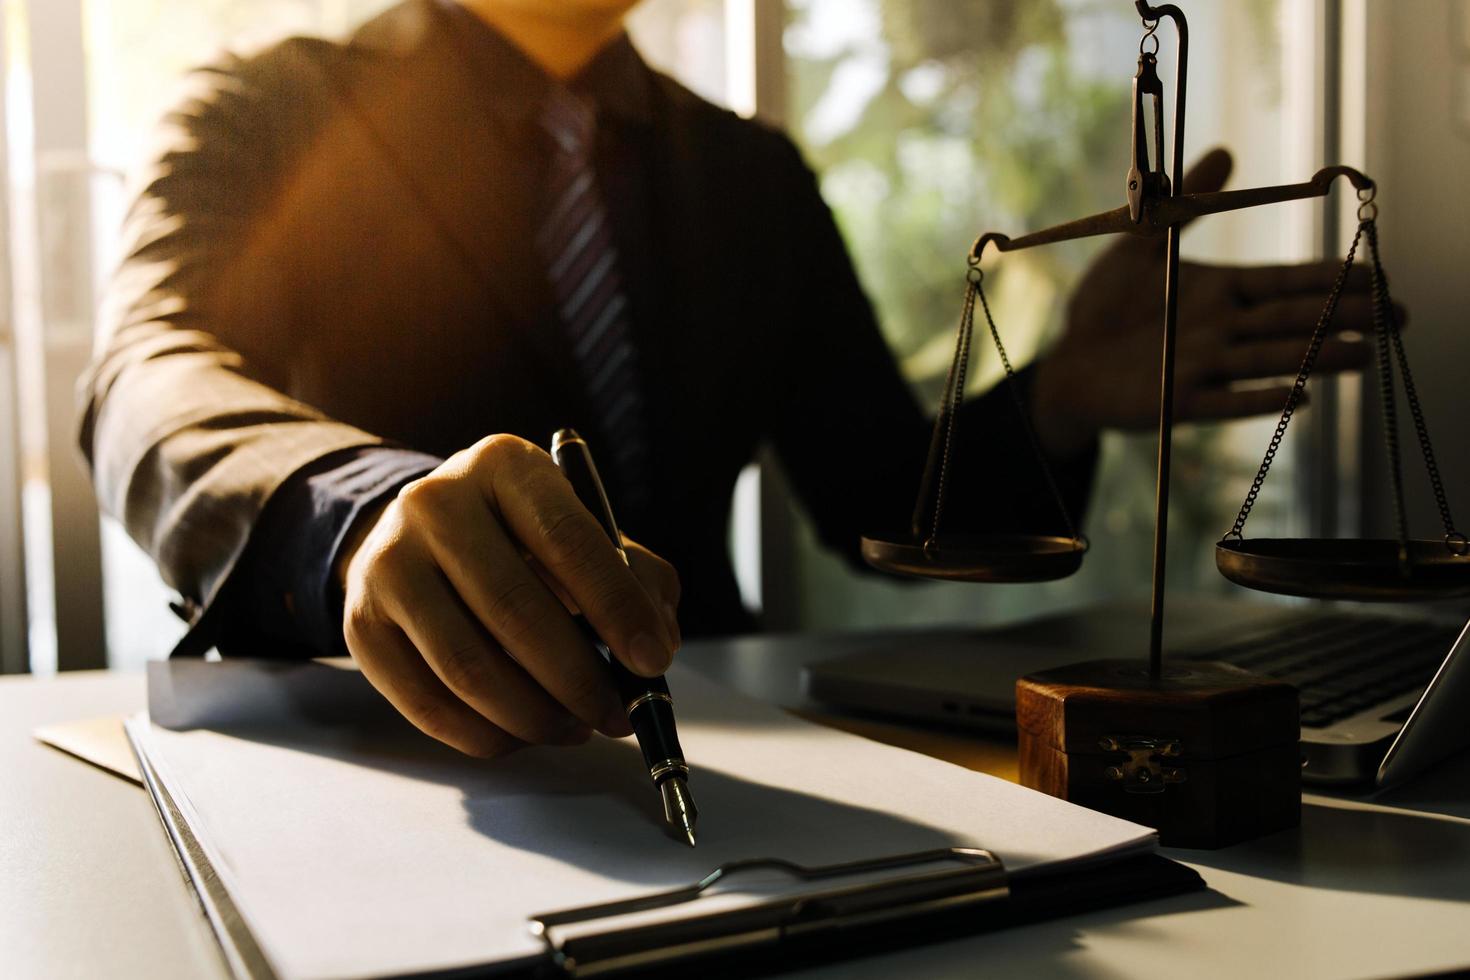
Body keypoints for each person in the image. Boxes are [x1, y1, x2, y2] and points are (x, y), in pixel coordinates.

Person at [79, 0, 1380, 758]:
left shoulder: (744, 174)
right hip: (394, 757)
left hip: (729, 746)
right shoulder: (262, 112)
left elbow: (872, 495)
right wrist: (349, 511)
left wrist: (1058, 399)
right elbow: (147, 377)